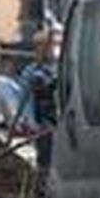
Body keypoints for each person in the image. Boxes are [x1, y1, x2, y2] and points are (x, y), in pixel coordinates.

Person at [16, 29, 61, 165]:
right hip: (43, 126)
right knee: (45, 159)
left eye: (48, 45)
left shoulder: (62, 68)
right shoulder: (31, 72)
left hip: (63, 124)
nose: (44, 49)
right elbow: (25, 99)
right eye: (40, 46)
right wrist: (32, 123)